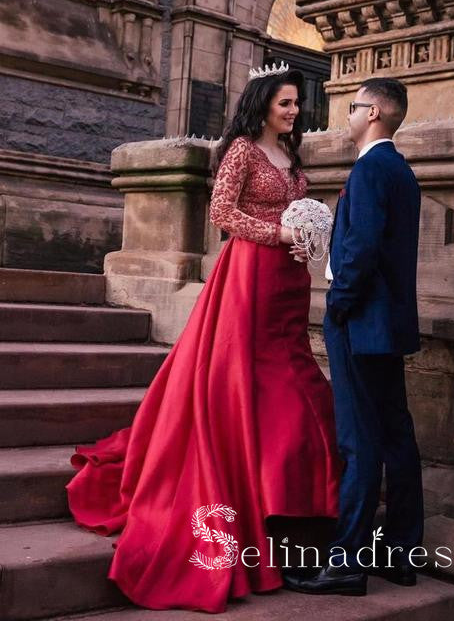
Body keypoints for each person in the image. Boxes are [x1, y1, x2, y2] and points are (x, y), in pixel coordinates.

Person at [66, 66, 340, 613]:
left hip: (289, 281)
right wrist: (280, 231)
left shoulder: (292, 156)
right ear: (263, 103)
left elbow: (292, 213)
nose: (293, 112)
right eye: (286, 103)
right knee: (249, 376)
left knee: (293, 374)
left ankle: (284, 491)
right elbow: (222, 213)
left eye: (296, 105)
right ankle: (244, 478)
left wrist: (308, 238)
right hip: (250, 276)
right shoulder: (240, 149)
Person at [285, 77, 424, 596]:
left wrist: (338, 306)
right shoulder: (403, 171)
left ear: (372, 114)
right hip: (388, 326)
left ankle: (345, 564)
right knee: (396, 437)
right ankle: (400, 553)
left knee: (359, 443)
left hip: (361, 324)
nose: (346, 114)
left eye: (351, 105)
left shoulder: (369, 170)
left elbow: (360, 250)